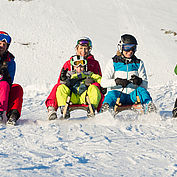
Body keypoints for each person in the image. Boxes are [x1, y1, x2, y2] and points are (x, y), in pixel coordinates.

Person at [46, 37, 104, 120]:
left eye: (86, 49)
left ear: (89, 49)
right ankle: (52, 109)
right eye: (81, 48)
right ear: (77, 48)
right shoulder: (68, 63)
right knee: (59, 87)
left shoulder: (94, 63)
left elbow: (99, 79)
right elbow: (60, 81)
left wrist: (92, 80)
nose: (83, 51)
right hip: (72, 91)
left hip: (86, 93)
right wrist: (65, 80)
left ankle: (96, 108)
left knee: (95, 86)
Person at [100, 34, 156, 113]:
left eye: (133, 48)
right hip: (119, 94)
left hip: (134, 95)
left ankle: (150, 109)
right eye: (127, 48)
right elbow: (103, 83)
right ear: (121, 48)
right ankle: (105, 111)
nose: (130, 51)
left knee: (142, 91)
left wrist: (139, 81)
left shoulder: (138, 63)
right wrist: (116, 81)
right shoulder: (113, 62)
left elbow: (145, 85)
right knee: (111, 95)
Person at [0, 31, 23, 125]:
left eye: (4, 44)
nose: (1, 46)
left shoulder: (10, 61)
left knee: (16, 88)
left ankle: (12, 114)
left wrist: (5, 75)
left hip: (3, 90)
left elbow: (9, 82)